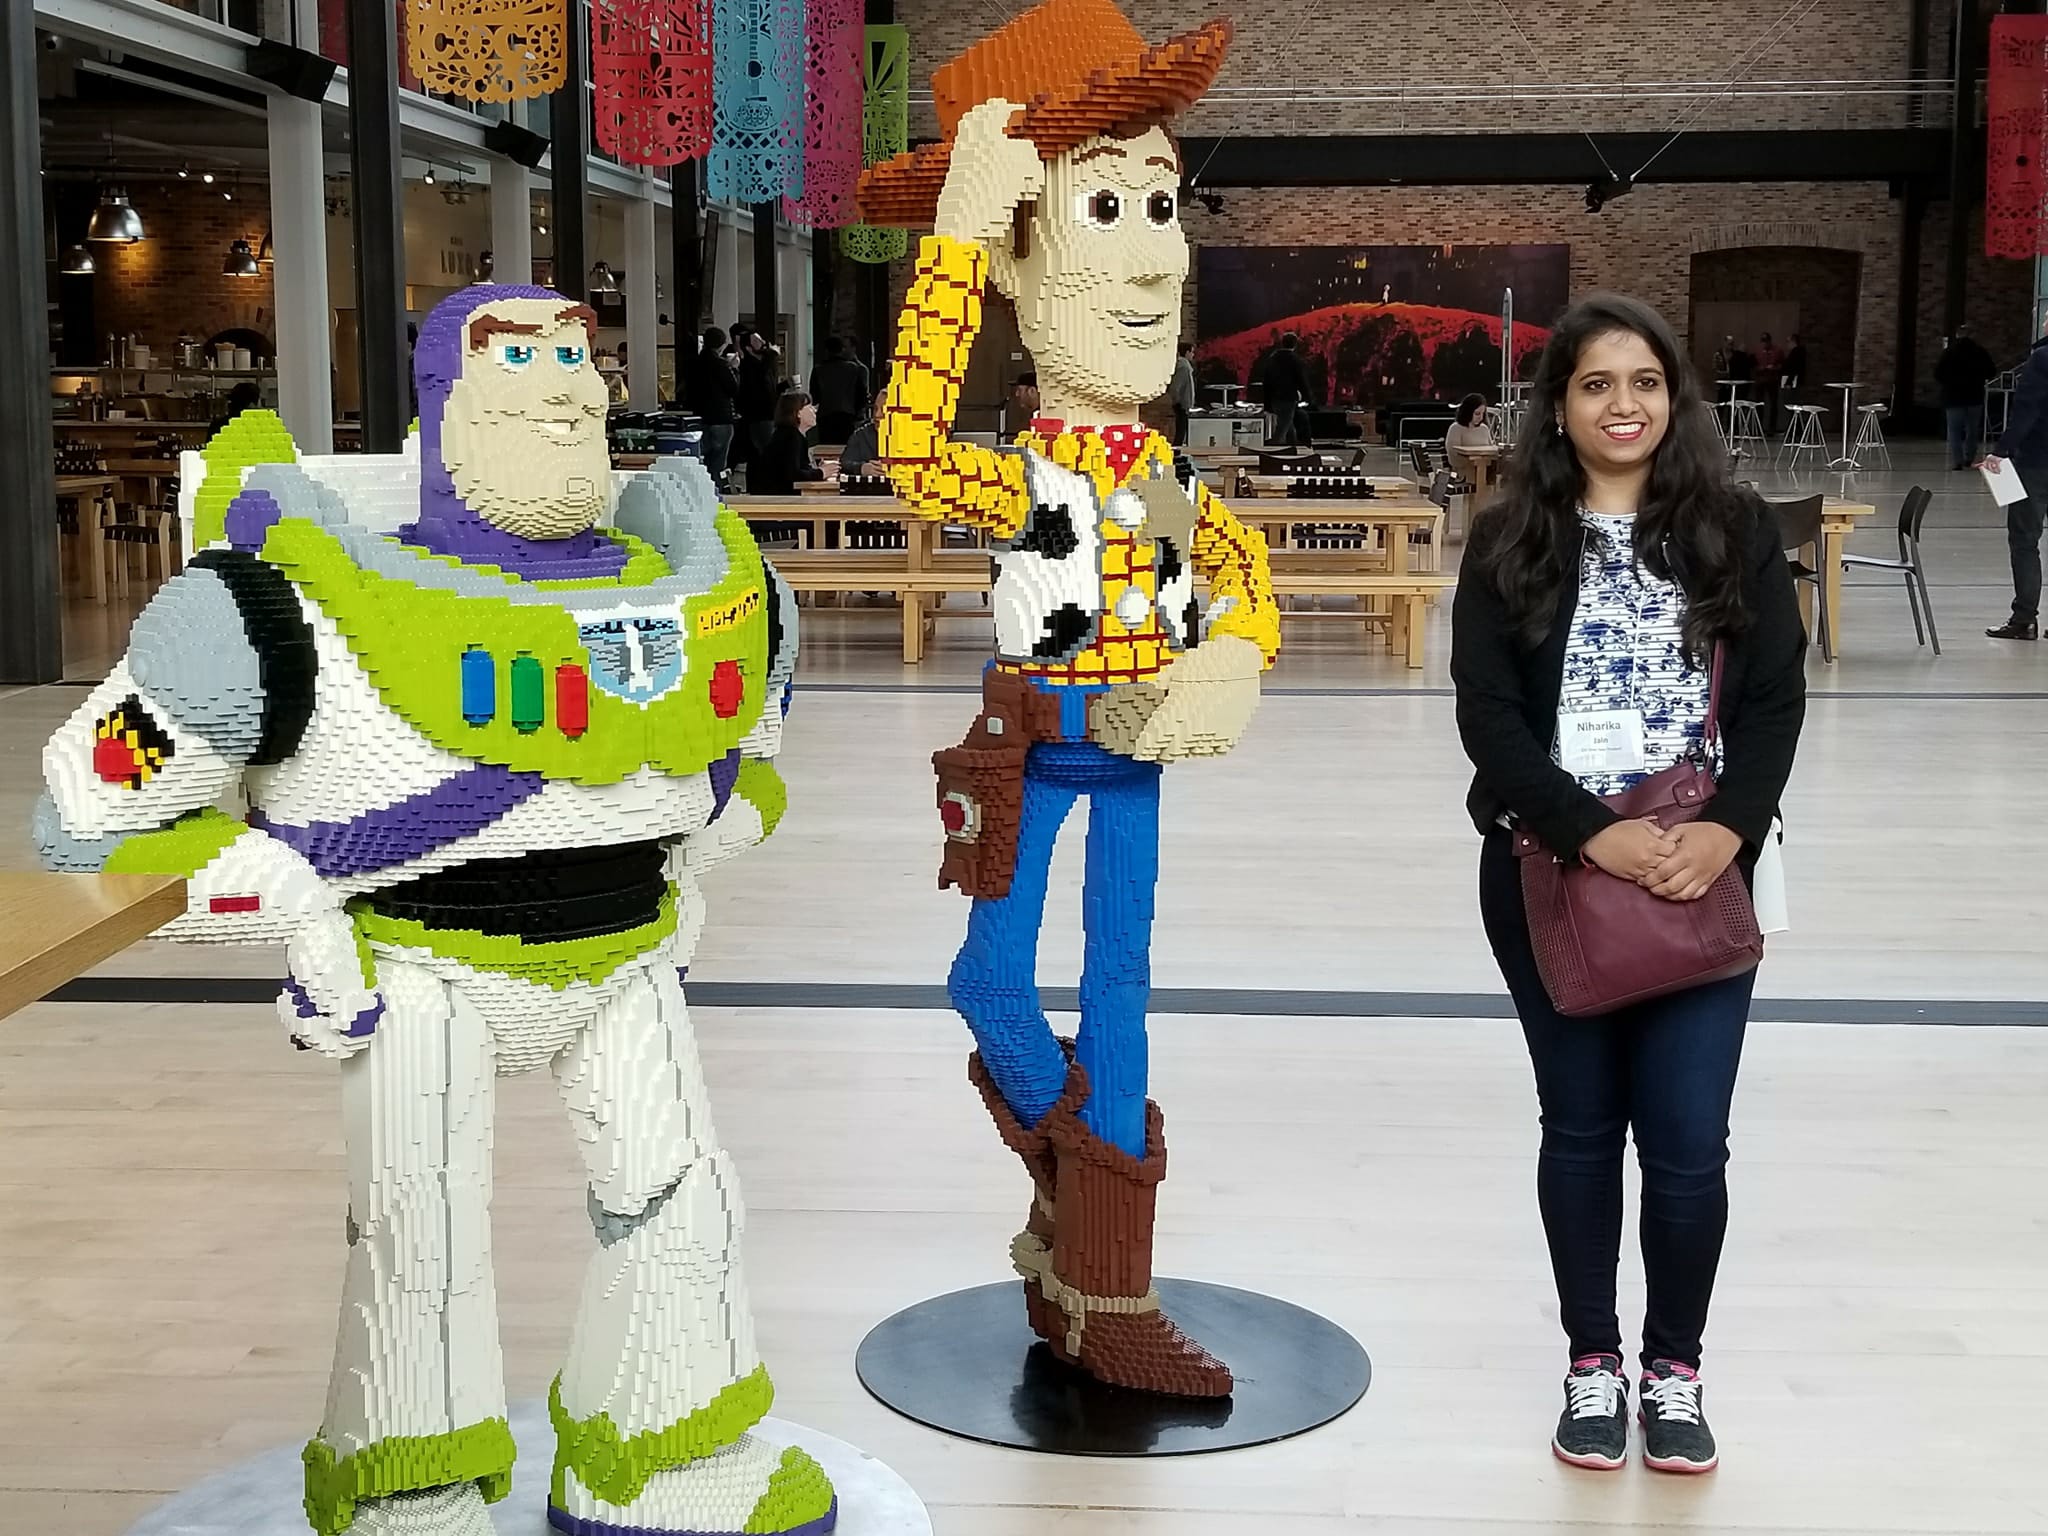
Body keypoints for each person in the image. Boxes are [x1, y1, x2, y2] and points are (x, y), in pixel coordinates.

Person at [35, 284, 820, 1536]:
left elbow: (749, 767)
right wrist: (281, 901)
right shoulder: (268, 608)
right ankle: (409, 1483)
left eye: (576, 354)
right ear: (446, 398)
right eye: (518, 357)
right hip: (413, 965)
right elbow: (91, 820)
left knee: (684, 1204)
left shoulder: (723, 591)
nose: (562, 386)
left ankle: (654, 1457)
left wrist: (705, 846)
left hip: (625, 958)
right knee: (418, 1234)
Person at [863, 0, 1279, 1399]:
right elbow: (911, 446)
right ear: (1025, 254)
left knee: (1122, 989)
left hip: (1137, 754)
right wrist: (952, 243)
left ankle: (1102, 1282)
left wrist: (1235, 652)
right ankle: (1080, 1188)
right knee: (990, 977)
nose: (1157, 253)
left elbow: (1227, 564)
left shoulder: (1156, 476)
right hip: (1032, 747)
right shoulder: (1025, 474)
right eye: (1107, 206)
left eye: (1162, 205)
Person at [1451, 293, 1807, 1478]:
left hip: (1701, 868)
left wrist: (1728, 829)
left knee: (1689, 1142)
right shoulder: (1509, 537)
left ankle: (1673, 1370)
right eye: (1595, 383)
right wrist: (1587, 835)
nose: (1622, 405)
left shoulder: (1730, 527)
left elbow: (1773, 698)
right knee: (1579, 1128)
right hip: (1551, 871)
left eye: (1644, 382)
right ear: (1558, 404)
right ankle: (1591, 1362)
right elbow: (1487, 717)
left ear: (1673, 397)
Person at [1981, 312, 2048, 639]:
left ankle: (2024, 619)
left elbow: (2027, 409)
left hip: (2036, 462)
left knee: (2025, 540)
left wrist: (2001, 450)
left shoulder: (2042, 358)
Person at [684, 324, 740, 485]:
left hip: (699, 418)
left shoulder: (694, 363)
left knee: (702, 459)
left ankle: (702, 488)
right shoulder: (720, 365)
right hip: (721, 417)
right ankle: (716, 488)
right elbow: (733, 389)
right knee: (718, 461)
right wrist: (734, 369)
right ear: (721, 345)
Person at [1934, 325, 1996, 471]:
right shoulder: (1980, 352)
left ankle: (1958, 461)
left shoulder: (1949, 352)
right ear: (1971, 335)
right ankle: (1969, 457)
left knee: (1954, 431)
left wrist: (1949, 383)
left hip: (1953, 397)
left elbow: (1938, 374)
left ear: (1957, 335)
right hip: (1974, 396)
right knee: (1972, 430)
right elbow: (1991, 371)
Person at [750, 389, 824, 494]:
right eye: (809, 407)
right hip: (775, 497)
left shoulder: (792, 435)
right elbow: (793, 474)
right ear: (798, 413)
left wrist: (816, 469)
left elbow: (799, 467)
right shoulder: (790, 437)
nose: (814, 410)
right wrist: (821, 473)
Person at [809, 335, 870, 445]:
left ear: (827, 350)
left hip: (826, 416)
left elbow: (814, 395)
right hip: (847, 416)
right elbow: (861, 394)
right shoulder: (854, 369)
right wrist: (857, 412)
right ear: (841, 350)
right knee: (846, 447)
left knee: (826, 448)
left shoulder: (819, 370)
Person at [735, 326, 780, 470]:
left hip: (768, 414)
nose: (763, 343)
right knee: (764, 453)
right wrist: (772, 355)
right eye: (757, 341)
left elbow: (769, 390)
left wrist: (785, 385)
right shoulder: (749, 367)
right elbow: (758, 389)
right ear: (749, 348)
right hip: (759, 416)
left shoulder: (763, 365)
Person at [1262, 331, 1314, 448]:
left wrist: (1267, 403)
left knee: (1288, 426)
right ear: (1295, 344)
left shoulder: (1272, 359)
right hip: (1288, 399)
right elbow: (1302, 381)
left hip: (1274, 398)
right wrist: (1309, 399)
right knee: (1282, 429)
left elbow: (1266, 382)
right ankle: (1273, 451)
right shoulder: (1295, 360)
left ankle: (1293, 448)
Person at [839, 384, 888, 475]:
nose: (877, 415)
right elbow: (844, 464)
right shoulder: (861, 435)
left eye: (884, 410)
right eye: (875, 409)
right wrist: (861, 468)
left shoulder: (913, 437)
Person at [1444, 392, 1492, 480]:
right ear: (1468, 412)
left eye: (1483, 413)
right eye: (1477, 414)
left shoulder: (1484, 429)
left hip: (1485, 469)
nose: (1480, 417)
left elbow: (1490, 450)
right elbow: (1453, 456)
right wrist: (1474, 462)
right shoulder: (1456, 428)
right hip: (1464, 473)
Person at [1753, 332, 1784, 433]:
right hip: (1760, 380)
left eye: (1766, 342)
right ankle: (1758, 427)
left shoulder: (1777, 351)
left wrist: (1774, 368)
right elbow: (1753, 365)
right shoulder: (1757, 351)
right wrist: (1760, 368)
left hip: (1772, 379)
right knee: (1759, 404)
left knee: (1773, 404)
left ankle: (1772, 428)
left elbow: (1782, 365)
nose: (1765, 344)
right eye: (1763, 342)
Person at [1169, 339, 1197, 445]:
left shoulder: (1183, 366)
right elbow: (1176, 387)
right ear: (1186, 352)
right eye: (1192, 352)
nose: (1193, 355)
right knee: (1180, 434)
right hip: (1181, 406)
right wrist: (1179, 402)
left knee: (1181, 433)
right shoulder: (1183, 367)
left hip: (1182, 405)